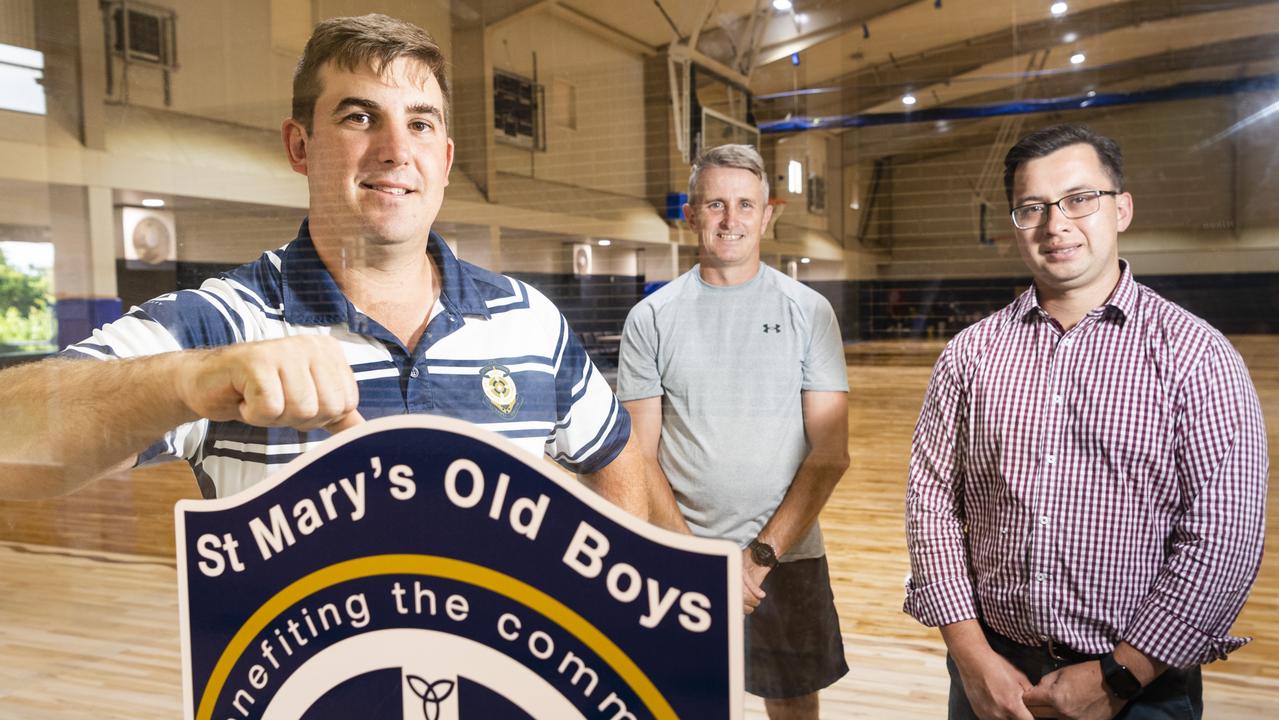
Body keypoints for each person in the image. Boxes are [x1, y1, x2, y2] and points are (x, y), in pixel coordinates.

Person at [0, 14, 648, 518]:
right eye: (360, 116)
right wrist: (192, 377)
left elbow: (622, 467)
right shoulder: (226, 326)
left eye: (420, 124)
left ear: (446, 161)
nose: (396, 150)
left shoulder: (527, 320)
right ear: (299, 146)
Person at [904, 123, 1268, 720]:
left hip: (1141, 688)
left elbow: (1224, 535)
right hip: (994, 674)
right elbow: (933, 502)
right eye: (1033, 208)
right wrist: (969, 655)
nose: (1056, 224)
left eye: (1079, 199)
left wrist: (1120, 676)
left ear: (1121, 208)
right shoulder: (970, 354)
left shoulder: (1197, 356)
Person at [617, 144, 851, 718]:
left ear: (767, 214)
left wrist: (758, 559)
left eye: (745, 205)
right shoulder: (651, 317)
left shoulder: (809, 310)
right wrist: (699, 561)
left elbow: (829, 454)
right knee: (685, 702)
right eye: (715, 204)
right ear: (690, 213)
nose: (730, 219)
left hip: (785, 557)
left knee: (792, 703)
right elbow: (641, 457)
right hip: (681, 556)